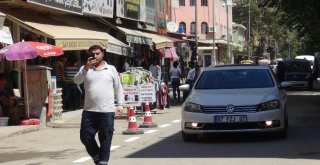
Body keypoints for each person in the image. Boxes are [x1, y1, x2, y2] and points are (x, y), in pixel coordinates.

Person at [74, 45, 124, 165]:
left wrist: (120, 104)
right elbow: (76, 81)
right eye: (93, 54)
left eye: (97, 53)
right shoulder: (85, 69)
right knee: (85, 137)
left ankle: (103, 162)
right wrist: (86, 67)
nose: (95, 56)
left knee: (106, 139)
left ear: (103, 54)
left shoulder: (111, 69)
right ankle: (97, 158)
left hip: (107, 111)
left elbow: (118, 88)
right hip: (89, 111)